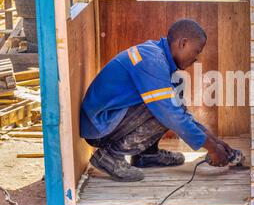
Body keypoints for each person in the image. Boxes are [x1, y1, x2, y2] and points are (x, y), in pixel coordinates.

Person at [80, 19, 231, 182]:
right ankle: (110, 156)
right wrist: (212, 149)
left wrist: (216, 143)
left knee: (173, 99)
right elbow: (171, 114)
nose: (196, 59)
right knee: (165, 108)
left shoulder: (158, 57)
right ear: (183, 43)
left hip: (111, 121)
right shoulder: (151, 60)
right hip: (100, 126)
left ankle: (146, 155)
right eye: (196, 51)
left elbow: (182, 114)